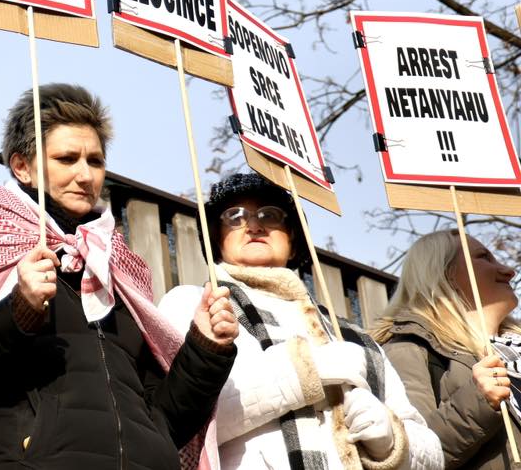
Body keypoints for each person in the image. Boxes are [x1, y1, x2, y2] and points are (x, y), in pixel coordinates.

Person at [0, 83, 238, 470]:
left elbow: (164, 419)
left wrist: (205, 349)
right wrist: (20, 309)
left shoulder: (120, 270)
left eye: (96, 161)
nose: (86, 175)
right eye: (67, 159)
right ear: (22, 166)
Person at [159, 172, 441, 470]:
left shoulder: (354, 337)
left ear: (294, 243)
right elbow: (181, 419)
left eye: (271, 215)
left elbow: (433, 455)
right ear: (217, 239)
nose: (254, 225)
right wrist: (305, 370)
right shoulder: (194, 304)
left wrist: (392, 440)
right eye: (235, 216)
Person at [373, 228, 520, 469]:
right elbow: (408, 458)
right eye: (484, 257)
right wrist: (478, 401)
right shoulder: (409, 351)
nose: (509, 271)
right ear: (444, 272)